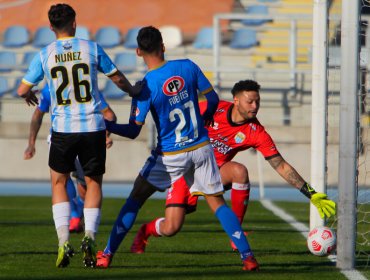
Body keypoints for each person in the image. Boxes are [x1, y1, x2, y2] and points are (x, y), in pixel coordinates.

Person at [96, 26, 259, 271]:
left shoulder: (145, 87)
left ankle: (107, 255)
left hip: (170, 155)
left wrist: (107, 125)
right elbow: (212, 99)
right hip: (201, 148)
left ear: (138, 52)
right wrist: (207, 118)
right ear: (163, 46)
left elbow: (133, 131)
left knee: (136, 198)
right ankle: (247, 257)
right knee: (217, 203)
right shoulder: (188, 66)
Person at [129, 79, 337, 253]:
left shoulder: (256, 131)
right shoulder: (213, 108)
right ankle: (145, 231)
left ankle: (235, 233)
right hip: (186, 172)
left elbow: (280, 165)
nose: (254, 106)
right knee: (171, 226)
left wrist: (311, 193)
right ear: (236, 100)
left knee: (239, 171)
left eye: (257, 102)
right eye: (250, 102)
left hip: (214, 173)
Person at [17, 3, 141, 268]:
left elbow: (21, 90)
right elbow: (117, 78)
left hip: (63, 129)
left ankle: (63, 241)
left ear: (50, 27)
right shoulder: (91, 48)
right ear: (75, 23)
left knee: (59, 184)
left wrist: (28, 93)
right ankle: (89, 236)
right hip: (93, 126)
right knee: (94, 184)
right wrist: (132, 91)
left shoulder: (45, 54)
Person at [23, 84, 116, 233]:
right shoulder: (50, 89)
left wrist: (104, 135)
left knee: (85, 185)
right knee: (61, 178)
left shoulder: (88, 85)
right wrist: (31, 143)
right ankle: (74, 217)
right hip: (59, 137)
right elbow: (37, 114)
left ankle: (80, 216)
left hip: (84, 137)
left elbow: (109, 115)